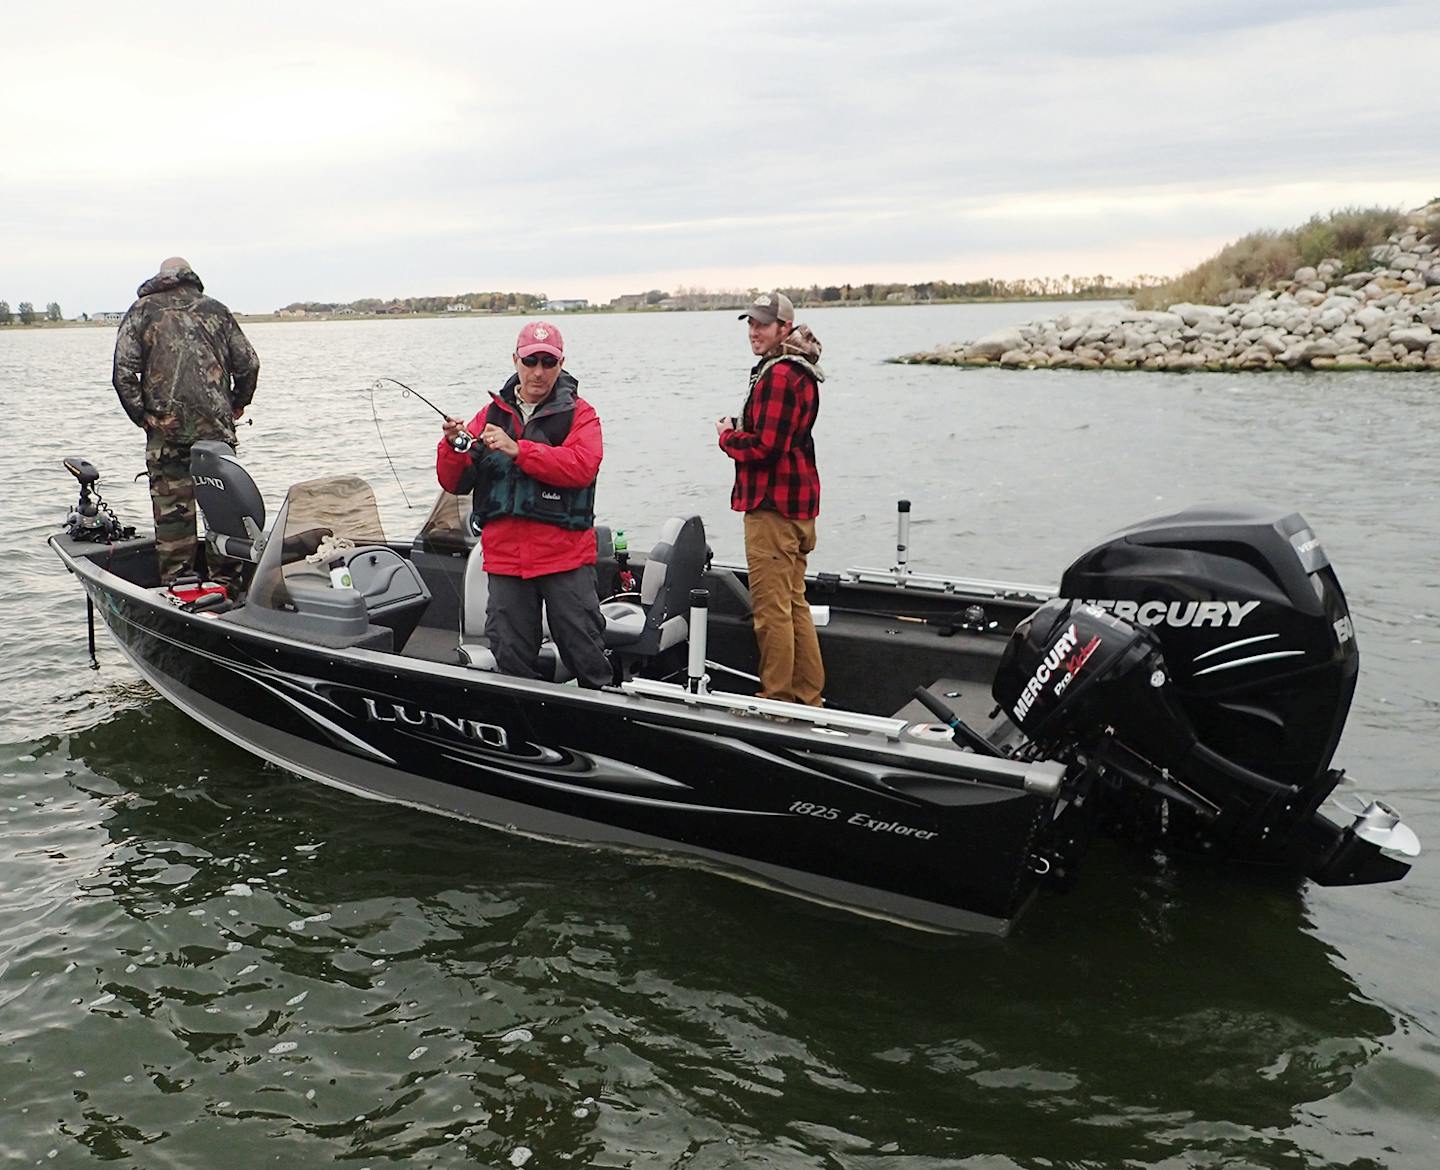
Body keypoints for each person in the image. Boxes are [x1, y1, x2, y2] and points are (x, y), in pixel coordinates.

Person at [436, 321, 611, 689]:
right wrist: (453, 445)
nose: (538, 372)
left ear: (561, 364)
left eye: (548, 362)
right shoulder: (488, 415)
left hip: (564, 558)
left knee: (586, 653)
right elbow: (454, 482)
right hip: (506, 560)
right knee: (511, 659)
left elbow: (582, 466)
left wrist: (520, 450)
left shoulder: (582, 414)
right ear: (516, 360)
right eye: (531, 361)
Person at [112, 257, 259, 583]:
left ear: (161, 276)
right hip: (215, 434)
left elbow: (123, 373)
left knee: (172, 512)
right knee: (222, 507)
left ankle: (179, 582)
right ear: (190, 277)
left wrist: (144, 416)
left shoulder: (142, 310)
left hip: (166, 432)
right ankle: (226, 583)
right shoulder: (217, 310)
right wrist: (236, 404)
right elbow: (249, 364)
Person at [715, 291, 825, 706]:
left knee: (771, 611)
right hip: (797, 507)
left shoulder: (780, 375)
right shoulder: (798, 370)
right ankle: (808, 698)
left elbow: (765, 448)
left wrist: (727, 435)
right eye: (750, 323)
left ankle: (778, 703)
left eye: (762, 324)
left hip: (774, 511)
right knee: (794, 604)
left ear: (784, 328)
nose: (753, 331)